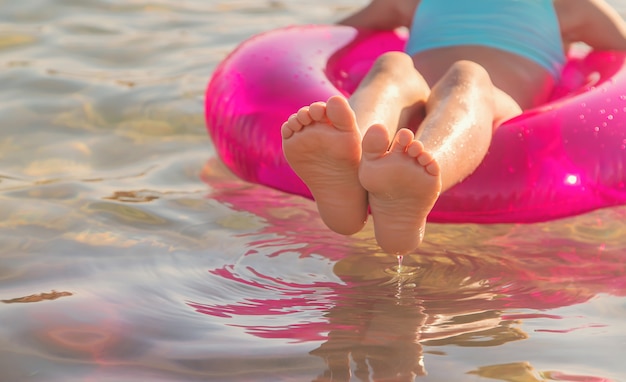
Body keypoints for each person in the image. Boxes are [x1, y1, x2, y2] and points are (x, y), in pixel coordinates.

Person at [280, 0, 626, 255]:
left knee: (468, 75)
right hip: (416, 110)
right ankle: (350, 166)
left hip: (499, 119)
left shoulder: (567, 6)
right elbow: (327, 39)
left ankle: (415, 178)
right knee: (392, 65)